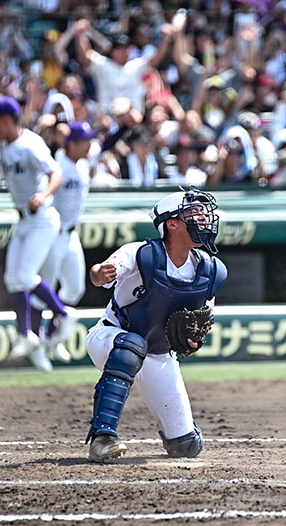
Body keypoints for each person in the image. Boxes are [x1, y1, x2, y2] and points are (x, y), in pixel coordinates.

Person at [84, 188, 226, 463]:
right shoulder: (141, 253)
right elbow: (98, 275)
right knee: (131, 345)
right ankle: (103, 437)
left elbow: (200, 326)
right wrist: (99, 273)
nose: (204, 219)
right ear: (171, 223)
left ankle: (181, 432)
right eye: (194, 213)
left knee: (186, 446)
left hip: (159, 354)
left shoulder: (210, 270)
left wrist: (193, 341)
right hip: (111, 338)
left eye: (203, 213)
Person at [0, 96, 77, 366]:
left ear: (6, 120)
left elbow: (57, 174)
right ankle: (25, 334)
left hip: (42, 218)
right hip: (24, 220)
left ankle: (63, 314)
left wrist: (43, 193)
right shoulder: (4, 142)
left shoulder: (30, 144)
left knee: (26, 276)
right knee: (12, 279)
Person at [36, 121, 97, 369]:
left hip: (71, 233)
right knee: (43, 292)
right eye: (85, 141)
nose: (89, 145)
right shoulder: (57, 165)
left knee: (74, 288)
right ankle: (36, 343)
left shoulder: (82, 164)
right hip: (53, 233)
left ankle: (51, 334)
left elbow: (110, 142)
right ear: (71, 144)